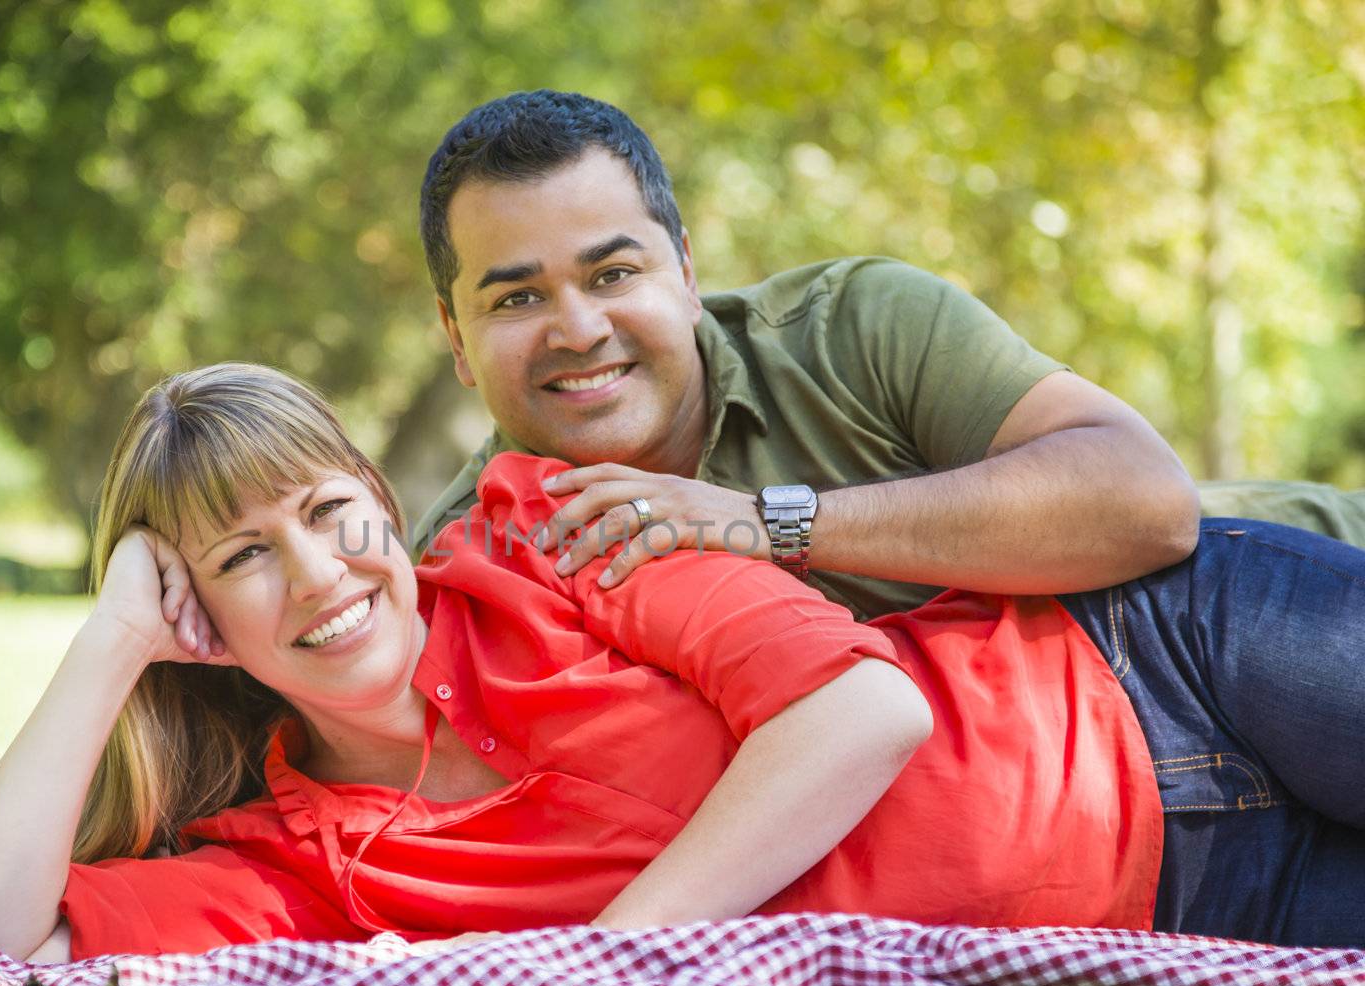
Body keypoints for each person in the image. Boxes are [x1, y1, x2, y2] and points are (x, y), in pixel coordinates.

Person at [0, 362, 1365, 965]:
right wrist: (110, 641)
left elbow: (862, 708)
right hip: (1186, 891)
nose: (317, 573)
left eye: (326, 510)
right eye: (239, 558)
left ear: (376, 489)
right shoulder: (306, 862)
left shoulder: (544, 530)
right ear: (198, 618)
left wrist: (615, 967)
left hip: (1172, 654)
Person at [411, 90, 1365, 620]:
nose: (577, 328)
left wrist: (757, 522)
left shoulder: (854, 325)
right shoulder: (465, 565)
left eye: (614, 273)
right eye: (518, 297)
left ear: (688, 273)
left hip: (1293, 587)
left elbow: (1146, 504)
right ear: (456, 340)